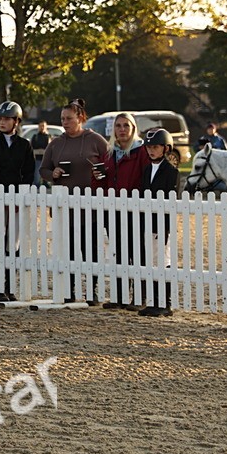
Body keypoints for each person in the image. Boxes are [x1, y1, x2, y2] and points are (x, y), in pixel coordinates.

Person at [40, 98, 109, 303]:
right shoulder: (56, 143)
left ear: (80, 118)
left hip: (92, 206)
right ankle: (70, 290)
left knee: (91, 250)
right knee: (68, 250)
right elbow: (43, 169)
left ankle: (93, 290)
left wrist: (101, 174)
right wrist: (54, 173)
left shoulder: (95, 140)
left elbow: (110, 165)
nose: (65, 122)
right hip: (65, 207)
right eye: (62, 119)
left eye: (69, 118)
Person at [0, 101, 33, 302]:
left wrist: (21, 197)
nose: (2, 122)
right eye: (0, 119)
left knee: (14, 241)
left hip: (18, 199)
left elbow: (28, 173)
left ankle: (9, 286)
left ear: (16, 122)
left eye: (7, 119)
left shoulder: (25, 145)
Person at [101, 113, 145, 310]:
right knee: (117, 253)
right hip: (113, 210)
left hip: (135, 210)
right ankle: (119, 296)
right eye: (118, 126)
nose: (122, 129)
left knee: (137, 254)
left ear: (133, 128)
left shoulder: (141, 151)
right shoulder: (110, 154)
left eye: (126, 125)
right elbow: (102, 184)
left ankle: (139, 297)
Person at [137, 127, 179, 318]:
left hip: (162, 224)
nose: (151, 150)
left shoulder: (171, 172)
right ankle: (154, 300)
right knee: (151, 262)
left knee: (164, 261)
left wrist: (166, 228)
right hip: (147, 223)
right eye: (149, 147)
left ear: (165, 148)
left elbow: (171, 202)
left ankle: (166, 302)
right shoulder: (147, 170)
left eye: (155, 147)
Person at [31, 119, 52, 185]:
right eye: (40, 126)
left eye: (43, 126)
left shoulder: (48, 136)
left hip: (46, 160)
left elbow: (49, 148)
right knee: (36, 179)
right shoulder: (35, 137)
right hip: (37, 159)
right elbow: (32, 147)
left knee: (46, 180)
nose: (42, 127)